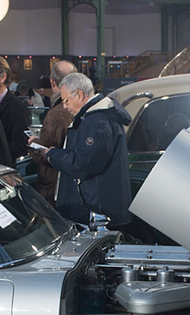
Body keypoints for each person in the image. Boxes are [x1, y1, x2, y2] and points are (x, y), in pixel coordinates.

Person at [32, 71, 132, 227]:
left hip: (96, 210)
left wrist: (52, 154)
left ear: (79, 94)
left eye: (65, 100)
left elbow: (83, 163)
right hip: (102, 206)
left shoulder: (96, 121)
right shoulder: (100, 117)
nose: (64, 106)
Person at [33, 55, 79, 201]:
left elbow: (47, 152)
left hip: (54, 190)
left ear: (52, 82)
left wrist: (33, 143)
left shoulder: (56, 114)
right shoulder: (83, 107)